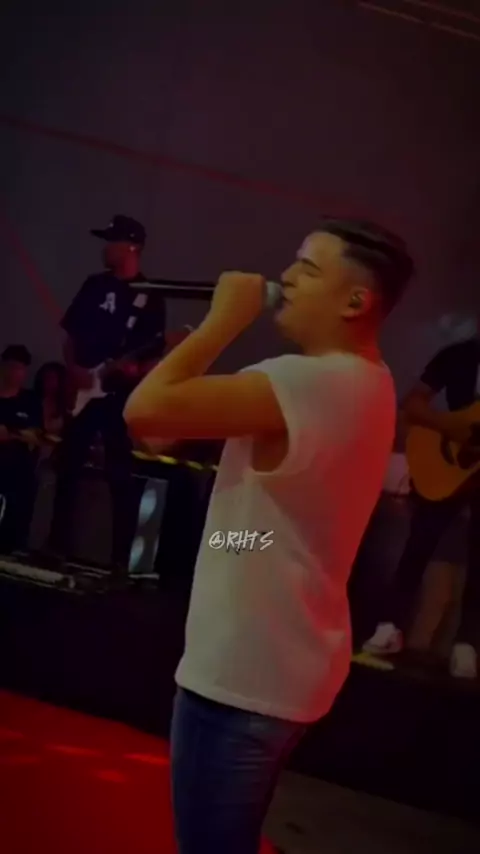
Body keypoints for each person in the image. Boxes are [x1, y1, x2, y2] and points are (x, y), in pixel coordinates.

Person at [124, 218, 414, 854]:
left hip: (244, 677)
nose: (286, 277)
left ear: (355, 300)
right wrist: (231, 543)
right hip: (279, 665)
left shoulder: (310, 383)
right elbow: (165, 434)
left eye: (308, 268)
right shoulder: (367, 382)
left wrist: (221, 323)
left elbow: (143, 413)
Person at [46, 215, 167, 580]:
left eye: (112, 241)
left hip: (118, 397)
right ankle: (56, 546)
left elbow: (153, 356)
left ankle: (119, 560)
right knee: (67, 466)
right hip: (84, 390)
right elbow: (70, 336)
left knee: (119, 474)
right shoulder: (94, 285)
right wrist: (74, 370)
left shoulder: (150, 295)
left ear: (132, 247)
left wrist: (133, 371)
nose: (105, 248)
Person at [364, 336, 480, 679]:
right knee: (416, 548)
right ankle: (389, 627)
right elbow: (414, 404)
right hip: (448, 466)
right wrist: (451, 426)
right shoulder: (460, 354)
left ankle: (467, 645)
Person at [0, 345, 40, 553]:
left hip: (17, 467)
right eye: (11, 366)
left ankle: (13, 548)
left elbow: (35, 434)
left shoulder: (30, 401)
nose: (14, 373)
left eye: (20, 368)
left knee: (18, 507)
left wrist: (11, 434)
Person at [33, 361, 69, 436]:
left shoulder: (66, 404)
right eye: (45, 378)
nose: (48, 382)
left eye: (52, 378)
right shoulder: (32, 401)